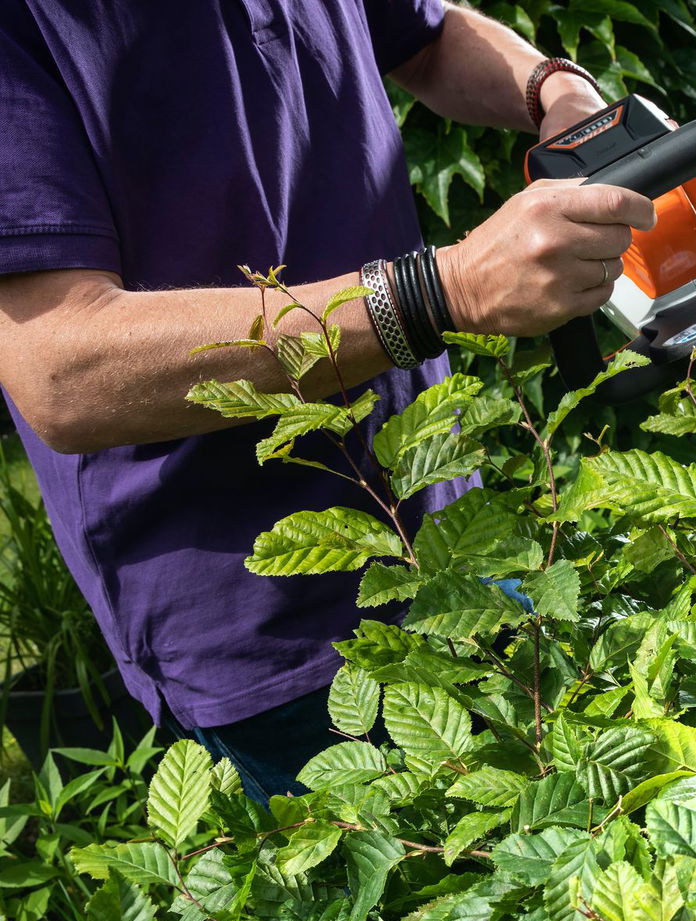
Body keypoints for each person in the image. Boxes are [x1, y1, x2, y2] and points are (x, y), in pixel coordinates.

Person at [0, 1, 655, 803]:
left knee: (583, 836)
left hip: (445, 518)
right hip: (277, 627)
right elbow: (61, 368)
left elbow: (426, 35)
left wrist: (555, 90)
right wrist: (444, 291)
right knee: (427, 907)